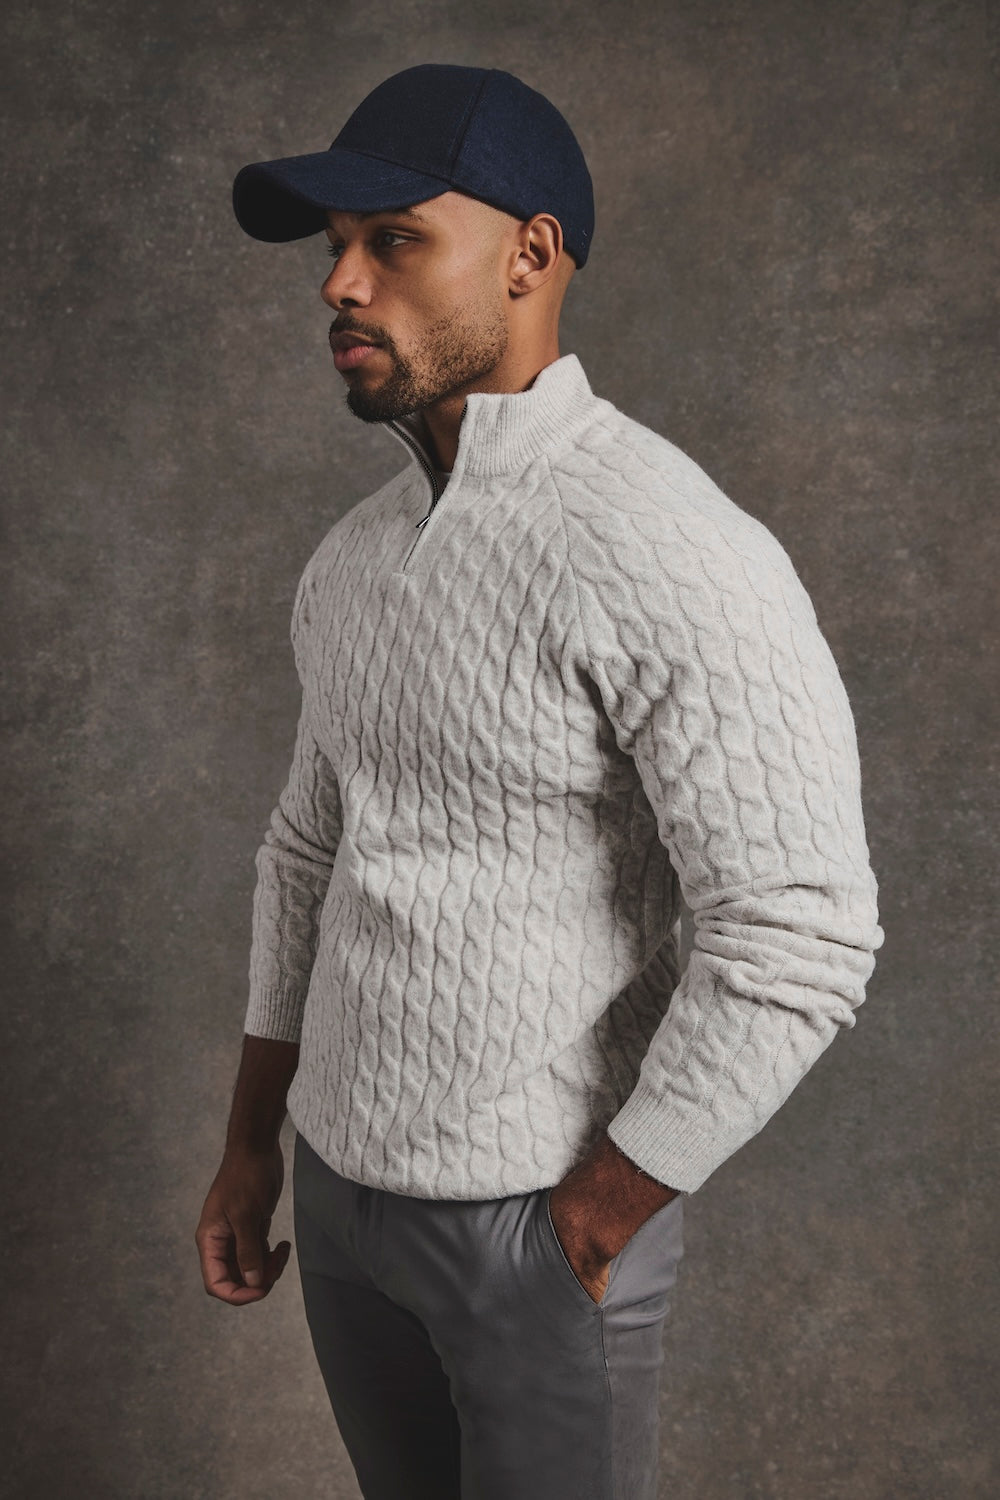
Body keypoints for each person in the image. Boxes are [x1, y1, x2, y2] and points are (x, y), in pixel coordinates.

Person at [195, 63, 884, 1500]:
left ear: (530, 254)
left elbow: (801, 928)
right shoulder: (355, 558)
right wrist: (254, 1141)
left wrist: (601, 1213)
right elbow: (308, 850)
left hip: (534, 1228)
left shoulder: (666, 544)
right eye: (337, 247)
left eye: (395, 240)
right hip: (341, 1204)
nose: (341, 284)